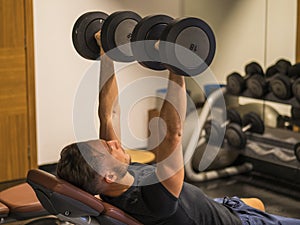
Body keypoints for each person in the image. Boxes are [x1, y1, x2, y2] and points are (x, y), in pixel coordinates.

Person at [56, 31, 300, 225]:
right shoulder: (155, 201)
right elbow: (172, 134)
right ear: (107, 176)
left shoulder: (112, 181)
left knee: (257, 200)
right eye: (108, 149)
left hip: (218, 204)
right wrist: (175, 66)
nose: (113, 142)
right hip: (236, 221)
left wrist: (107, 54)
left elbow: (109, 114)